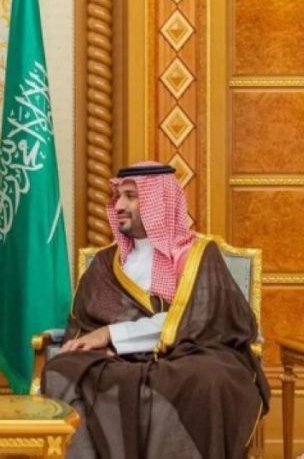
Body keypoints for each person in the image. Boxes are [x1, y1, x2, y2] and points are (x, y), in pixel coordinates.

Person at [42, 162, 269, 458]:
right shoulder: (105, 263)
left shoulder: (198, 254)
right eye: (118, 197)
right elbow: (85, 323)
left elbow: (197, 320)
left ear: (159, 202)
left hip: (189, 353)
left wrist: (111, 334)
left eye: (131, 197)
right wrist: (99, 342)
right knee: (62, 369)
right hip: (119, 359)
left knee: (208, 379)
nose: (119, 206)